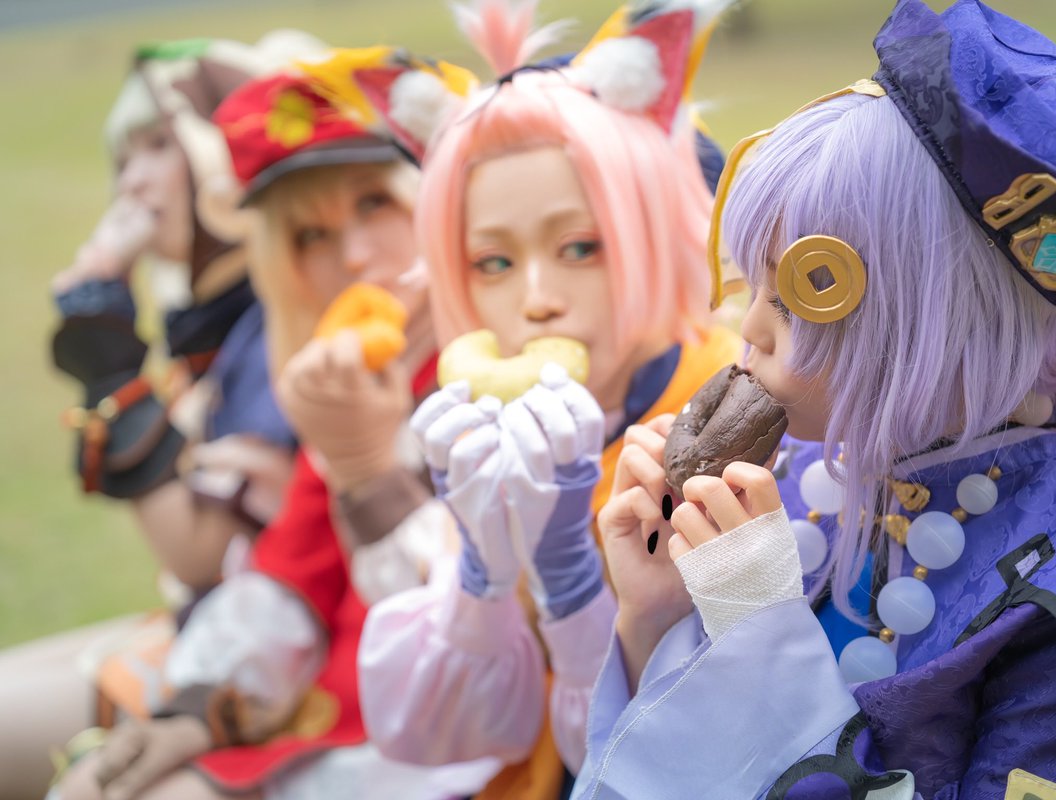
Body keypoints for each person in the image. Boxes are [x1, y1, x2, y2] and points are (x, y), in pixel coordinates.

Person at [574, 1, 1056, 798]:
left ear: (941, 318)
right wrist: (657, 619)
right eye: (752, 287)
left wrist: (757, 635)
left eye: (796, 299)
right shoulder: (798, 483)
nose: (750, 330)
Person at [52, 49, 493, 800]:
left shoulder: (493, 369)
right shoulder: (332, 358)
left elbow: (480, 635)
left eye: (375, 204)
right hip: (294, 689)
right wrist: (200, 710)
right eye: (310, 235)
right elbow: (290, 568)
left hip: (444, 744)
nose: (353, 256)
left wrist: (368, 474)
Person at [356, 1, 743, 797]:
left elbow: (706, 748)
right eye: (493, 263)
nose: (537, 299)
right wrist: (479, 575)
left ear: (650, 227)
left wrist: (574, 586)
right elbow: (445, 734)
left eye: (580, 248)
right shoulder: (482, 426)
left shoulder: (733, 418)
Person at [0, 36, 318, 800]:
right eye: (123, 157)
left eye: (157, 145)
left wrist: (110, 367)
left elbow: (199, 552)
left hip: (284, 669)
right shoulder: (219, 319)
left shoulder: (278, 317)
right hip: (211, 631)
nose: (131, 180)